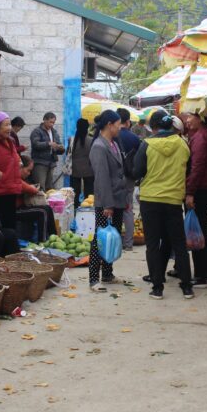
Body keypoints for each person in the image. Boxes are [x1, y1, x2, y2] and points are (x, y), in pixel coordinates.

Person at [133, 110, 194, 300]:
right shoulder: (183, 144)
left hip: (150, 200)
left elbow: (137, 171)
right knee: (179, 244)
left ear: (155, 126)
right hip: (174, 200)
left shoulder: (146, 145)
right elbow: (188, 170)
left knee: (152, 244)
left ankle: (157, 288)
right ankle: (186, 287)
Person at [88, 109, 128, 292]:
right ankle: (94, 278)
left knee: (112, 238)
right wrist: (107, 205)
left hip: (118, 199)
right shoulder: (99, 146)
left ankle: (108, 274)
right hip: (107, 202)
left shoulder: (113, 143)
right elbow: (102, 178)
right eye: (118, 123)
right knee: (101, 239)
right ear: (109, 125)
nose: (121, 127)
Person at [183, 111, 207, 287]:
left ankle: (201, 275)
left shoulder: (201, 139)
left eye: (189, 117)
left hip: (200, 190)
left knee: (196, 233)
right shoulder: (206, 135)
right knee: (201, 230)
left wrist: (190, 192)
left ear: (199, 118)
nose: (187, 121)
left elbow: (197, 168)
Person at [16, 155, 58, 243]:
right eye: (28, 170)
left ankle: (54, 238)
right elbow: (30, 190)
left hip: (22, 206)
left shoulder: (23, 180)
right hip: (17, 209)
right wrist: (33, 189)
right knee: (42, 212)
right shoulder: (15, 179)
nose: (29, 173)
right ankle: (42, 242)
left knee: (48, 208)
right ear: (20, 167)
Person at [117, 108, 142, 251]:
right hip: (129, 177)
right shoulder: (134, 138)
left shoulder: (111, 136)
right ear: (128, 122)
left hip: (114, 177)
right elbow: (139, 160)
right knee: (127, 209)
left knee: (112, 209)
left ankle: (115, 243)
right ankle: (128, 244)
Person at [30, 112, 65, 190]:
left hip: (51, 163)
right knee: (40, 186)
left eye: (53, 122)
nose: (52, 124)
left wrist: (60, 148)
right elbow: (35, 144)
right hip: (40, 163)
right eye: (50, 122)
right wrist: (48, 144)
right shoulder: (37, 131)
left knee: (50, 187)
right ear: (44, 120)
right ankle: (40, 202)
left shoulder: (54, 132)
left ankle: (48, 202)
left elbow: (57, 144)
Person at [68, 118, 94, 209]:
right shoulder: (91, 140)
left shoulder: (71, 140)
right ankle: (88, 208)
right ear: (87, 127)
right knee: (89, 191)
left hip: (75, 169)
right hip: (89, 169)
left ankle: (74, 208)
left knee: (75, 191)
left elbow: (69, 153)